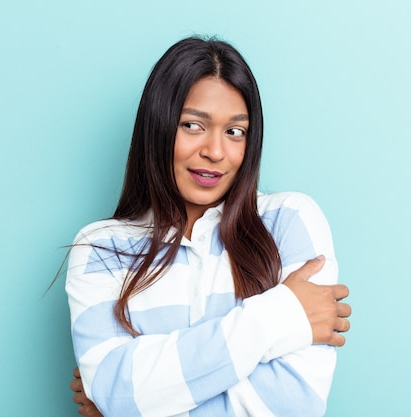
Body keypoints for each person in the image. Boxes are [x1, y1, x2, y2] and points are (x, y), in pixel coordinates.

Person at [66, 36, 352, 417]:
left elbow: (292, 406)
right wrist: (278, 316)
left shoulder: (289, 221)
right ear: (159, 126)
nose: (216, 151)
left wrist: (142, 399)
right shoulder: (99, 248)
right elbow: (116, 393)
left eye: (235, 131)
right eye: (192, 125)